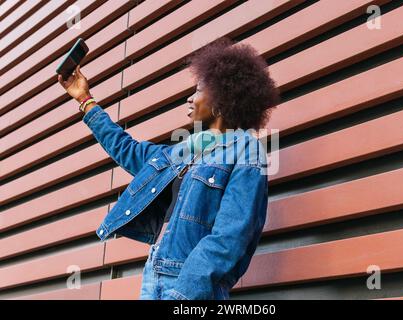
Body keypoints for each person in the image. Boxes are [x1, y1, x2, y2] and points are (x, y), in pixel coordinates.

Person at [58, 36, 279, 300]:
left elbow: (230, 237)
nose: (189, 99)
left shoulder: (245, 150)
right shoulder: (183, 152)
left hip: (191, 287)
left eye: (197, 90)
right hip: (155, 275)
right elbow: (127, 150)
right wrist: (85, 99)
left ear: (221, 97)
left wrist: (183, 293)